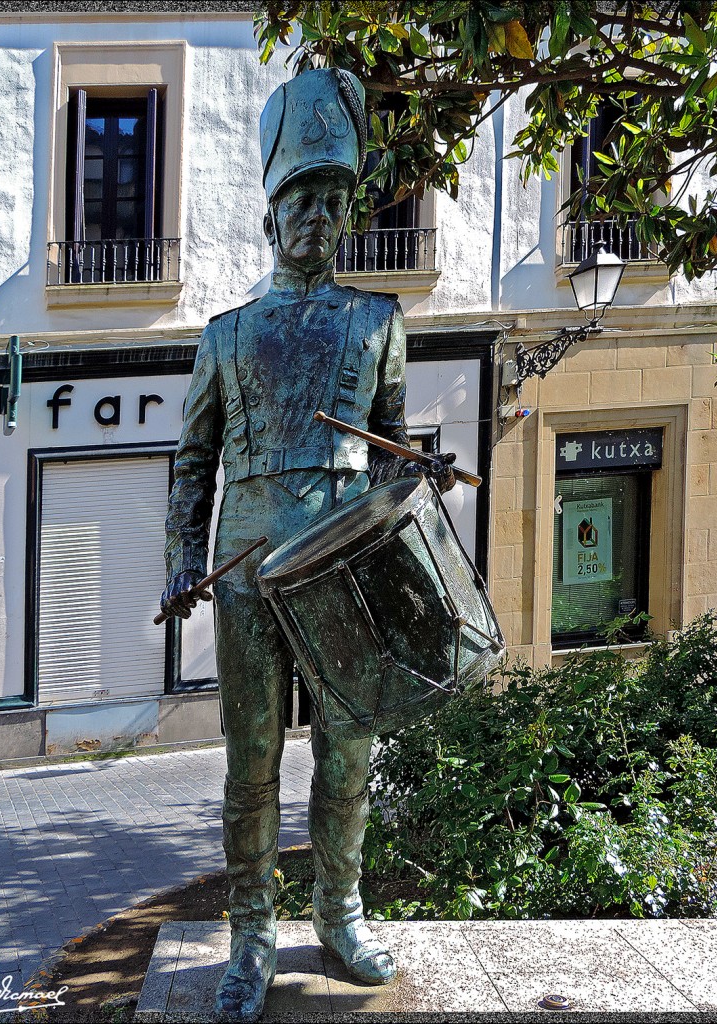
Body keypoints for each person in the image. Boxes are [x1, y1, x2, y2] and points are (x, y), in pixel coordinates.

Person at [159, 67, 455, 1023]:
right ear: (271, 215)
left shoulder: (380, 322)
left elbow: (390, 450)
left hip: (343, 577)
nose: (321, 217)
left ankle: (339, 911)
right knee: (250, 762)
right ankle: (250, 933)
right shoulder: (226, 335)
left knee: (349, 753)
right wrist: (179, 556)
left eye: (336, 200)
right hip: (247, 574)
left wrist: (417, 482)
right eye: (304, 200)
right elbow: (191, 461)